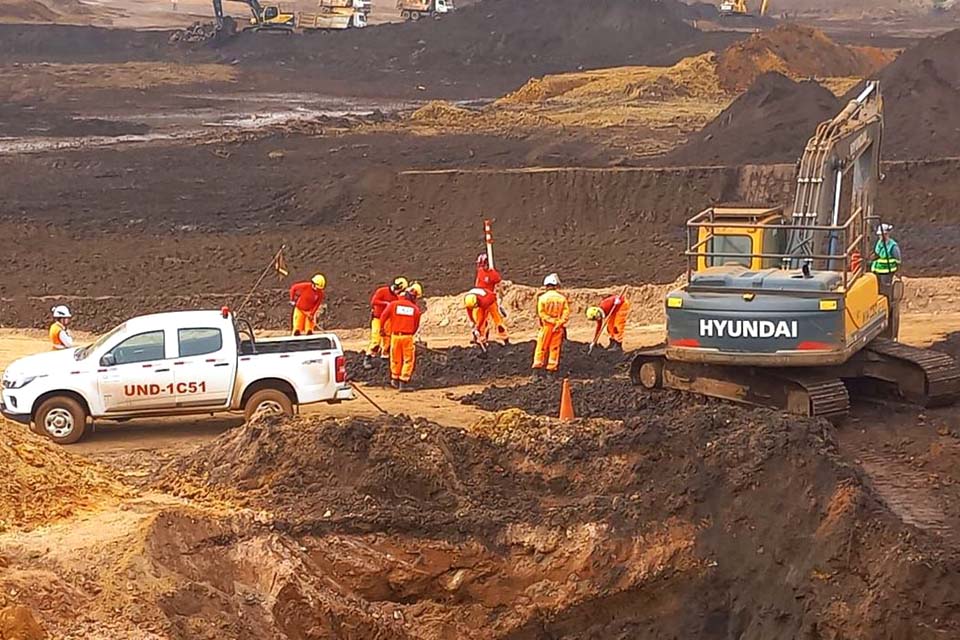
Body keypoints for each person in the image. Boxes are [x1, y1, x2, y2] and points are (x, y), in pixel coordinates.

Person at [380, 282, 423, 392]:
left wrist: (382, 329)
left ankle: (394, 378)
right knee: (408, 359)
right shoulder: (415, 309)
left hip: (395, 336)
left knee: (395, 358)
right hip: (407, 337)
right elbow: (416, 325)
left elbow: (383, 316)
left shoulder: (393, 305)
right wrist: (411, 333)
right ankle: (403, 382)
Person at [364, 276, 408, 369]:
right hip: (377, 318)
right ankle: (369, 357)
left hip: (389, 320)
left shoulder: (397, 297)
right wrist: (386, 304)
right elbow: (374, 301)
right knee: (376, 339)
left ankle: (385, 357)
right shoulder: (382, 291)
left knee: (387, 339)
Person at [532, 273, 570, 376]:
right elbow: (566, 314)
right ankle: (551, 370)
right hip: (558, 327)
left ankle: (537, 370)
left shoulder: (542, 298)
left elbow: (541, 314)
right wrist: (559, 322)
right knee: (554, 348)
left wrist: (551, 321)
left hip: (547, 327)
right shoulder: (562, 299)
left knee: (541, 347)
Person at [475, 253, 509, 344]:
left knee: (497, 319)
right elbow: (477, 282)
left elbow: (499, 285)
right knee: (481, 319)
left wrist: (500, 297)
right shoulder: (480, 271)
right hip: (481, 300)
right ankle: (482, 337)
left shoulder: (493, 274)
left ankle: (504, 337)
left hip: (490, 300)